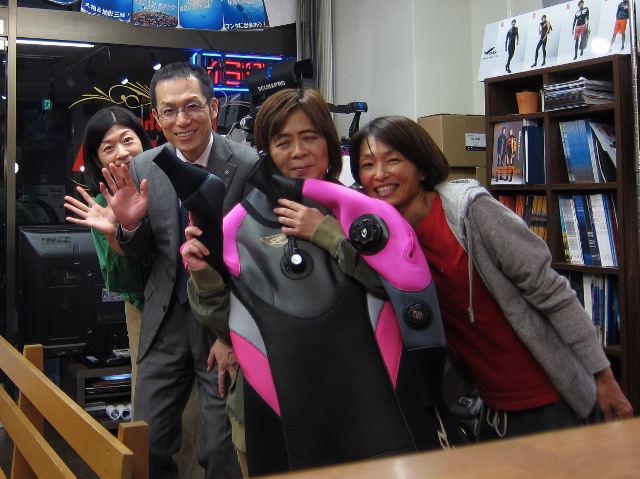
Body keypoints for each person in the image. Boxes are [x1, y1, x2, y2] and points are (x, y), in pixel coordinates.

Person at [179, 88, 460, 476]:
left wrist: (328, 234)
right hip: (283, 412)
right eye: (283, 142)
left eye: (309, 137)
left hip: (378, 404)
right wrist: (203, 272)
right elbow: (228, 324)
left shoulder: (366, 211)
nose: (298, 152)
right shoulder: (238, 226)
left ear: (329, 144)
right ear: (266, 151)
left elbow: (403, 295)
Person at [349, 115, 633, 442]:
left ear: (421, 168)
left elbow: (552, 292)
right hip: (492, 408)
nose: (380, 174)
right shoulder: (387, 241)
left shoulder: (470, 212)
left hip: (551, 398)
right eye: (367, 165)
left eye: (393, 160)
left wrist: (603, 378)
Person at [100, 62, 257, 479]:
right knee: (145, 445)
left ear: (213, 107)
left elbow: (255, 259)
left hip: (221, 323)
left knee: (221, 454)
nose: (181, 120)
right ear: (156, 116)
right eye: (168, 111)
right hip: (165, 321)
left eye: (192, 106)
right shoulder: (145, 166)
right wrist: (128, 227)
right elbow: (145, 251)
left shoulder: (246, 164)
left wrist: (229, 335)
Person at [63, 106, 153, 406]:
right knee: (151, 402)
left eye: (128, 140)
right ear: (96, 159)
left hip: (190, 308)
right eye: (109, 148)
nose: (122, 152)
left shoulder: (166, 184)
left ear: (143, 141)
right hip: (144, 309)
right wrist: (115, 233)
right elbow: (126, 283)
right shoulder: (102, 207)